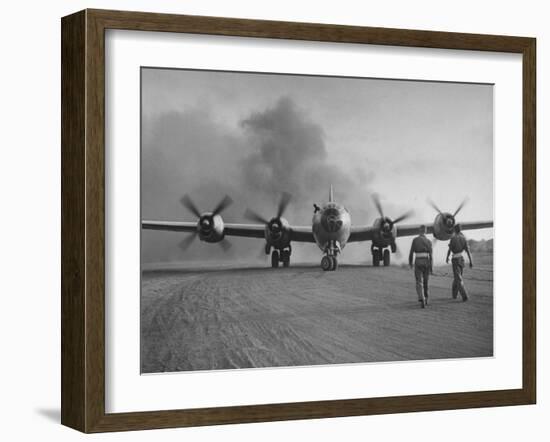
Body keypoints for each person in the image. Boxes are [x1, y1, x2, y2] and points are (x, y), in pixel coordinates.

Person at [446, 224, 473, 301]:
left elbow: (449, 250)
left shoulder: (453, 238)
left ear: (455, 229)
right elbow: (468, 251)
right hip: (461, 259)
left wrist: (447, 257)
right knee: (457, 278)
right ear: (460, 229)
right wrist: (471, 261)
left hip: (455, 259)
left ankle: (465, 296)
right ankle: (454, 295)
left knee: (458, 278)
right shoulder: (463, 238)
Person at [408, 225, 433, 308]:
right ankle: (426, 298)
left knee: (419, 281)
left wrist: (410, 263)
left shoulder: (415, 240)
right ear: (425, 231)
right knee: (426, 281)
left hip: (418, 261)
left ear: (419, 231)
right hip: (426, 261)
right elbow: (431, 256)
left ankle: (421, 297)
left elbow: (411, 253)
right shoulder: (429, 241)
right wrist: (431, 267)